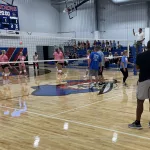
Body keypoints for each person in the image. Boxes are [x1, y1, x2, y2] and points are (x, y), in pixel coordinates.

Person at [128, 41, 150, 129]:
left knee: (140, 101)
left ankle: (137, 123)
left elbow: (137, 67)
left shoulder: (141, 55)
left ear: (147, 46)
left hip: (144, 79)